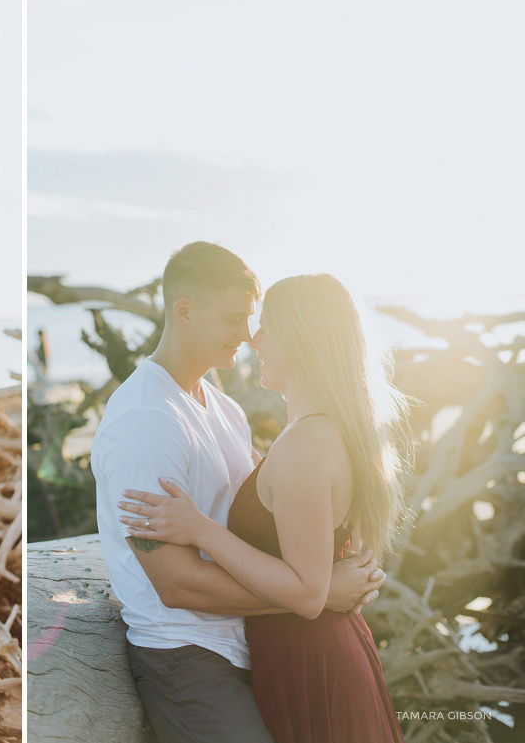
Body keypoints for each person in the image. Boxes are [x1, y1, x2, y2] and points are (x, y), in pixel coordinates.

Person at [92, 243, 386, 743]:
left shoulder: (225, 412)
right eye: (233, 318)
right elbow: (176, 585)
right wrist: (318, 595)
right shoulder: (146, 421)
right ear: (184, 311)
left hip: (253, 644)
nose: (248, 335)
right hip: (189, 657)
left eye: (252, 320)